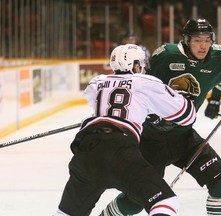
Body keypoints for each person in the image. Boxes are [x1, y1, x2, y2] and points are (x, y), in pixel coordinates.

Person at [100, 18, 221, 215]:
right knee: (136, 200)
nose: (203, 46)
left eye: (207, 40)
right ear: (185, 40)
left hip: (183, 138)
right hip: (150, 140)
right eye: (197, 40)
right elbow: (137, 83)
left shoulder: (217, 56)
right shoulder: (165, 54)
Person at [52, 44, 197, 216]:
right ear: (136, 65)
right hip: (118, 150)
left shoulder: (97, 82)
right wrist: (183, 98)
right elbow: (187, 116)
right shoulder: (146, 82)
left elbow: (104, 107)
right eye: (141, 63)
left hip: (86, 150)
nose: (143, 67)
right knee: (165, 202)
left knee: (66, 213)